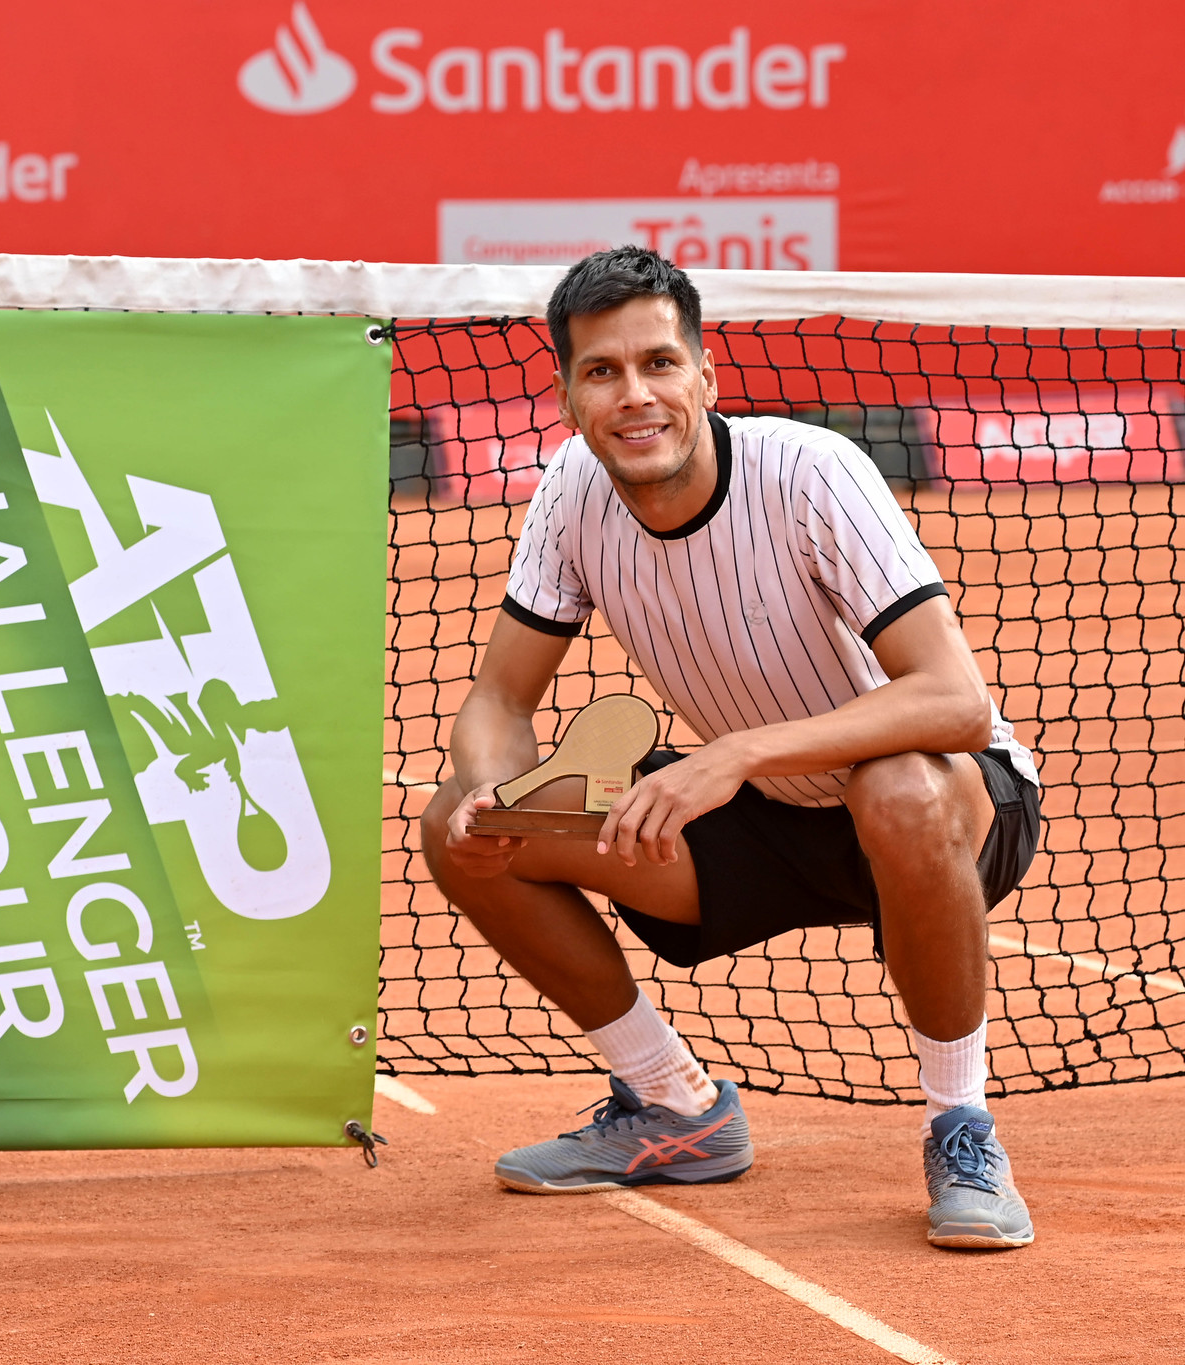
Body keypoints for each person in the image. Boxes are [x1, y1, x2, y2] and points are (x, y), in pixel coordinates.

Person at [422, 247, 1041, 1250]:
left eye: (658, 364)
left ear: (703, 376)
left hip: (952, 811)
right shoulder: (572, 492)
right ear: (567, 395)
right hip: (766, 823)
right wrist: (494, 792)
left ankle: (958, 1125)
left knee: (895, 790)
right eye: (601, 372)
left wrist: (736, 754)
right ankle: (673, 1105)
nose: (635, 396)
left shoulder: (808, 472)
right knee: (454, 830)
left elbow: (953, 702)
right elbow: (499, 694)